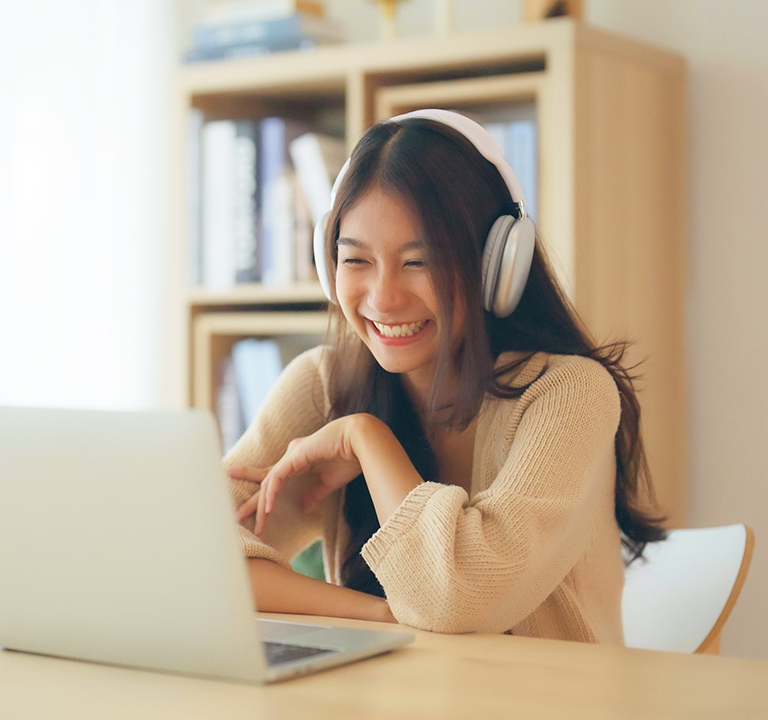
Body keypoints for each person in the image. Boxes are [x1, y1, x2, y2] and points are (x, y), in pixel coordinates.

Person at [224, 109, 665, 643]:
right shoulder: (323, 383)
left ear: (496, 263)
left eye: (420, 262)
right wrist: (382, 617)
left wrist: (367, 438)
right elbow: (196, 555)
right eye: (356, 260)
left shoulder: (569, 395)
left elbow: (457, 599)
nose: (383, 299)